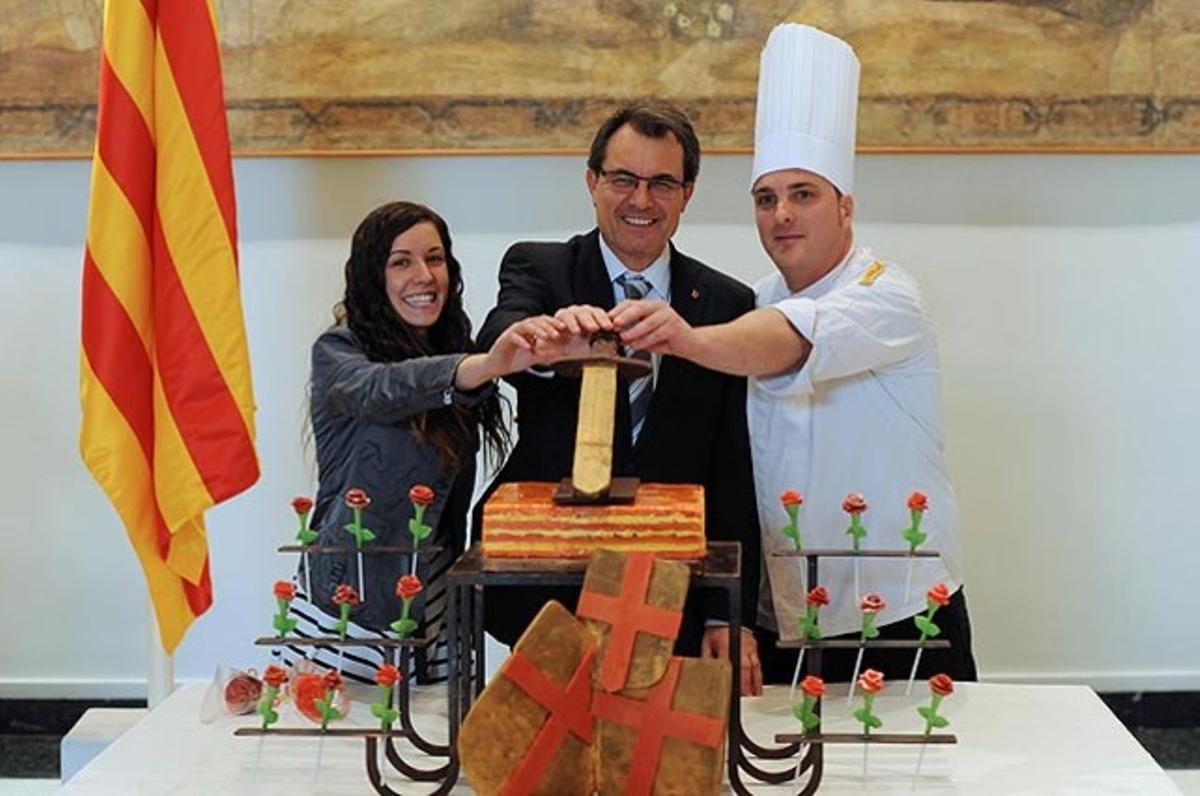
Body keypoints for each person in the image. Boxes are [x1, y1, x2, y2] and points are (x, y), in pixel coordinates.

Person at [610, 25, 977, 684]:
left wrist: (684, 338)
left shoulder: (888, 294)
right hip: (781, 616)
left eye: (802, 194)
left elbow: (789, 340)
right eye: (766, 198)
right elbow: (731, 477)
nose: (781, 214)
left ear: (844, 205)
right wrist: (731, 614)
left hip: (896, 609)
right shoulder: (750, 303)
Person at [474, 103, 765, 694]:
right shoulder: (540, 267)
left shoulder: (726, 303)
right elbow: (498, 338)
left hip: (672, 590)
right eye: (623, 179)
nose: (641, 200)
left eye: (662, 183)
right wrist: (553, 342)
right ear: (592, 182)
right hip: (546, 587)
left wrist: (723, 611)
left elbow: (731, 462)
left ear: (687, 194)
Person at [281, 201, 568, 683]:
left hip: (436, 600)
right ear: (373, 276)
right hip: (352, 602)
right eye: (401, 262)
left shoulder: (454, 350)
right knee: (345, 749)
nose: (423, 275)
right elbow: (384, 388)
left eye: (434, 259)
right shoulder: (338, 351)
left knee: (437, 746)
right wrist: (481, 366)